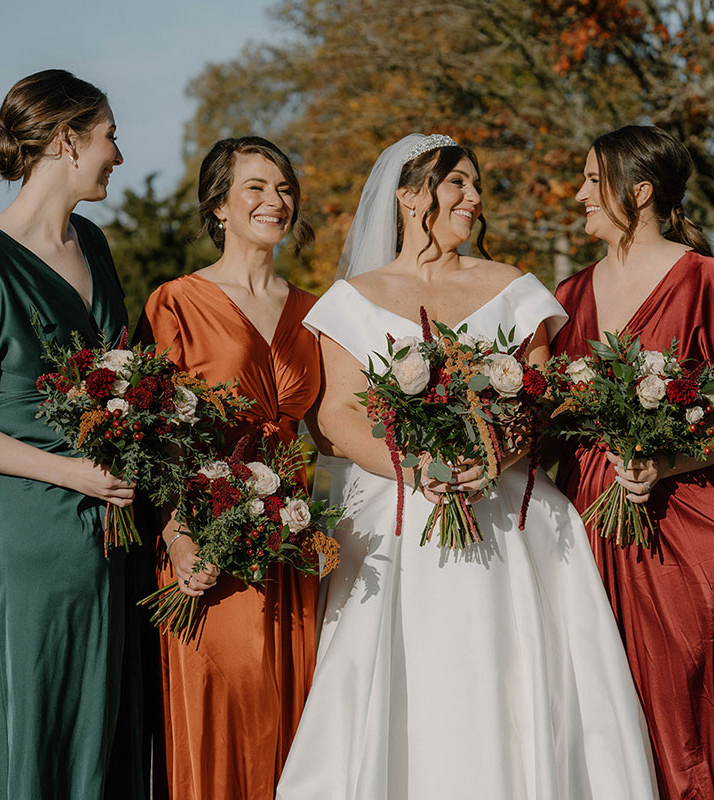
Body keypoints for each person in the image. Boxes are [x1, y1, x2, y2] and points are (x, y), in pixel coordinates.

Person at [276, 133, 657, 800]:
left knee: (518, 675)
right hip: (397, 517)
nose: (474, 198)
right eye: (458, 183)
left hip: (508, 510)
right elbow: (337, 415)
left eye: (476, 185)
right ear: (408, 195)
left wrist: (492, 455)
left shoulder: (512, 288)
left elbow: (538, 399)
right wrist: (413, 466)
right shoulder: (350, 300)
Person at [551, 124, 714, 799]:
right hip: (591, 522)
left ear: (638, 192)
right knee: (605, 696)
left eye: (591, 180)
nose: (578, 193)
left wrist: (663, 462)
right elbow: (547, 411)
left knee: (688, 698)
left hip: (691, 524)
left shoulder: (707, 280)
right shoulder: (569, 295)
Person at [0, 69, 145, 798]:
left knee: (106, 693)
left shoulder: (94, 243)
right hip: (34, 514)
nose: (119, 153)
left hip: (110, 505)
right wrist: (72, 473)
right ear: (67, 139)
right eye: (109, 135)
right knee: (41, 684)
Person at [135, 136, 324, 799]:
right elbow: (155, 434)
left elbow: (331, 434)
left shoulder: (314, 311)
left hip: (291, 542)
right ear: (217, 204)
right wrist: (176, 533)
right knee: (220, 706)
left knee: (293, 714)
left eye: (283, 188)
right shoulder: (176, 302)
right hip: (203, 536)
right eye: (255, 187)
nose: (274, 200)